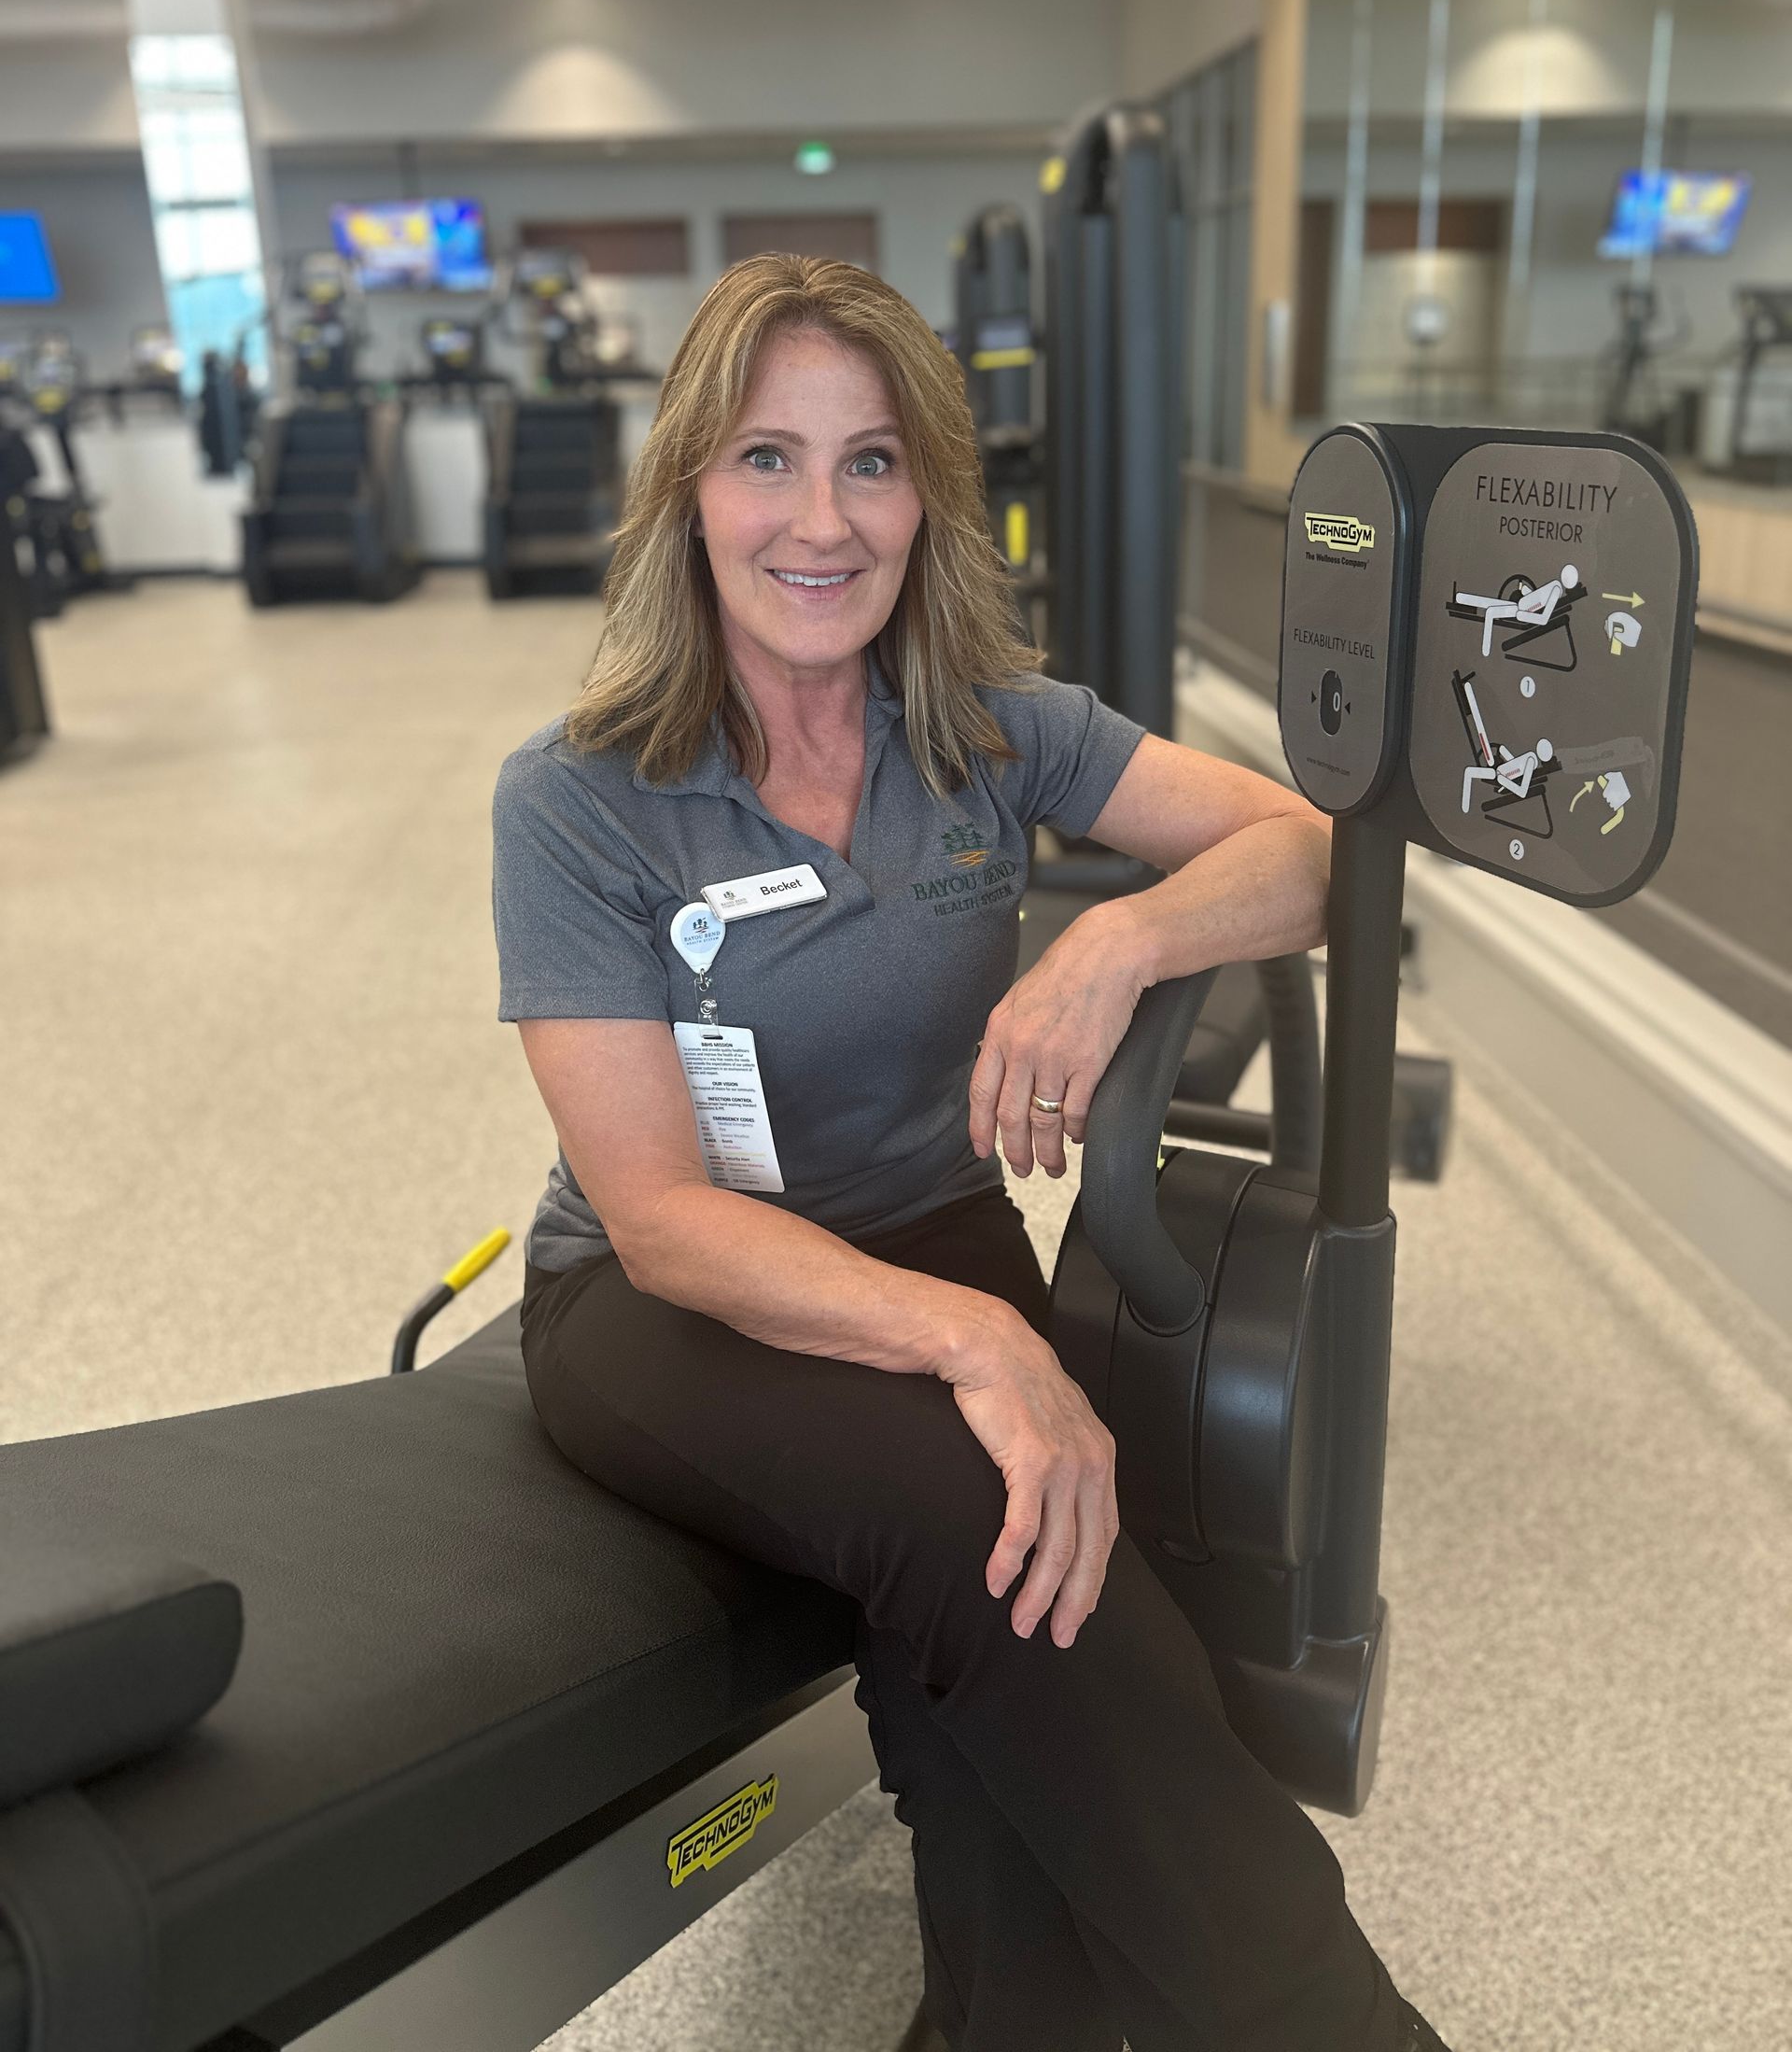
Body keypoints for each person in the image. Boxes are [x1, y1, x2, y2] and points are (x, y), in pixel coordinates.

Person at [492, 253, 1449, 2052]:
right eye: (767, 458)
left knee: (1017, 1616)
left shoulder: (993, 730)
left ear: (930, 494)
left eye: (870, 462)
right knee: (982, 1518)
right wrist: (979, 1338)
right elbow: (664, 1217)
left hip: (928, 1220)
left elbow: (1316, 857)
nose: (822, 520)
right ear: (687, 491)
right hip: (660, 1294)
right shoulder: (578, 797)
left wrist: (1118, 940)